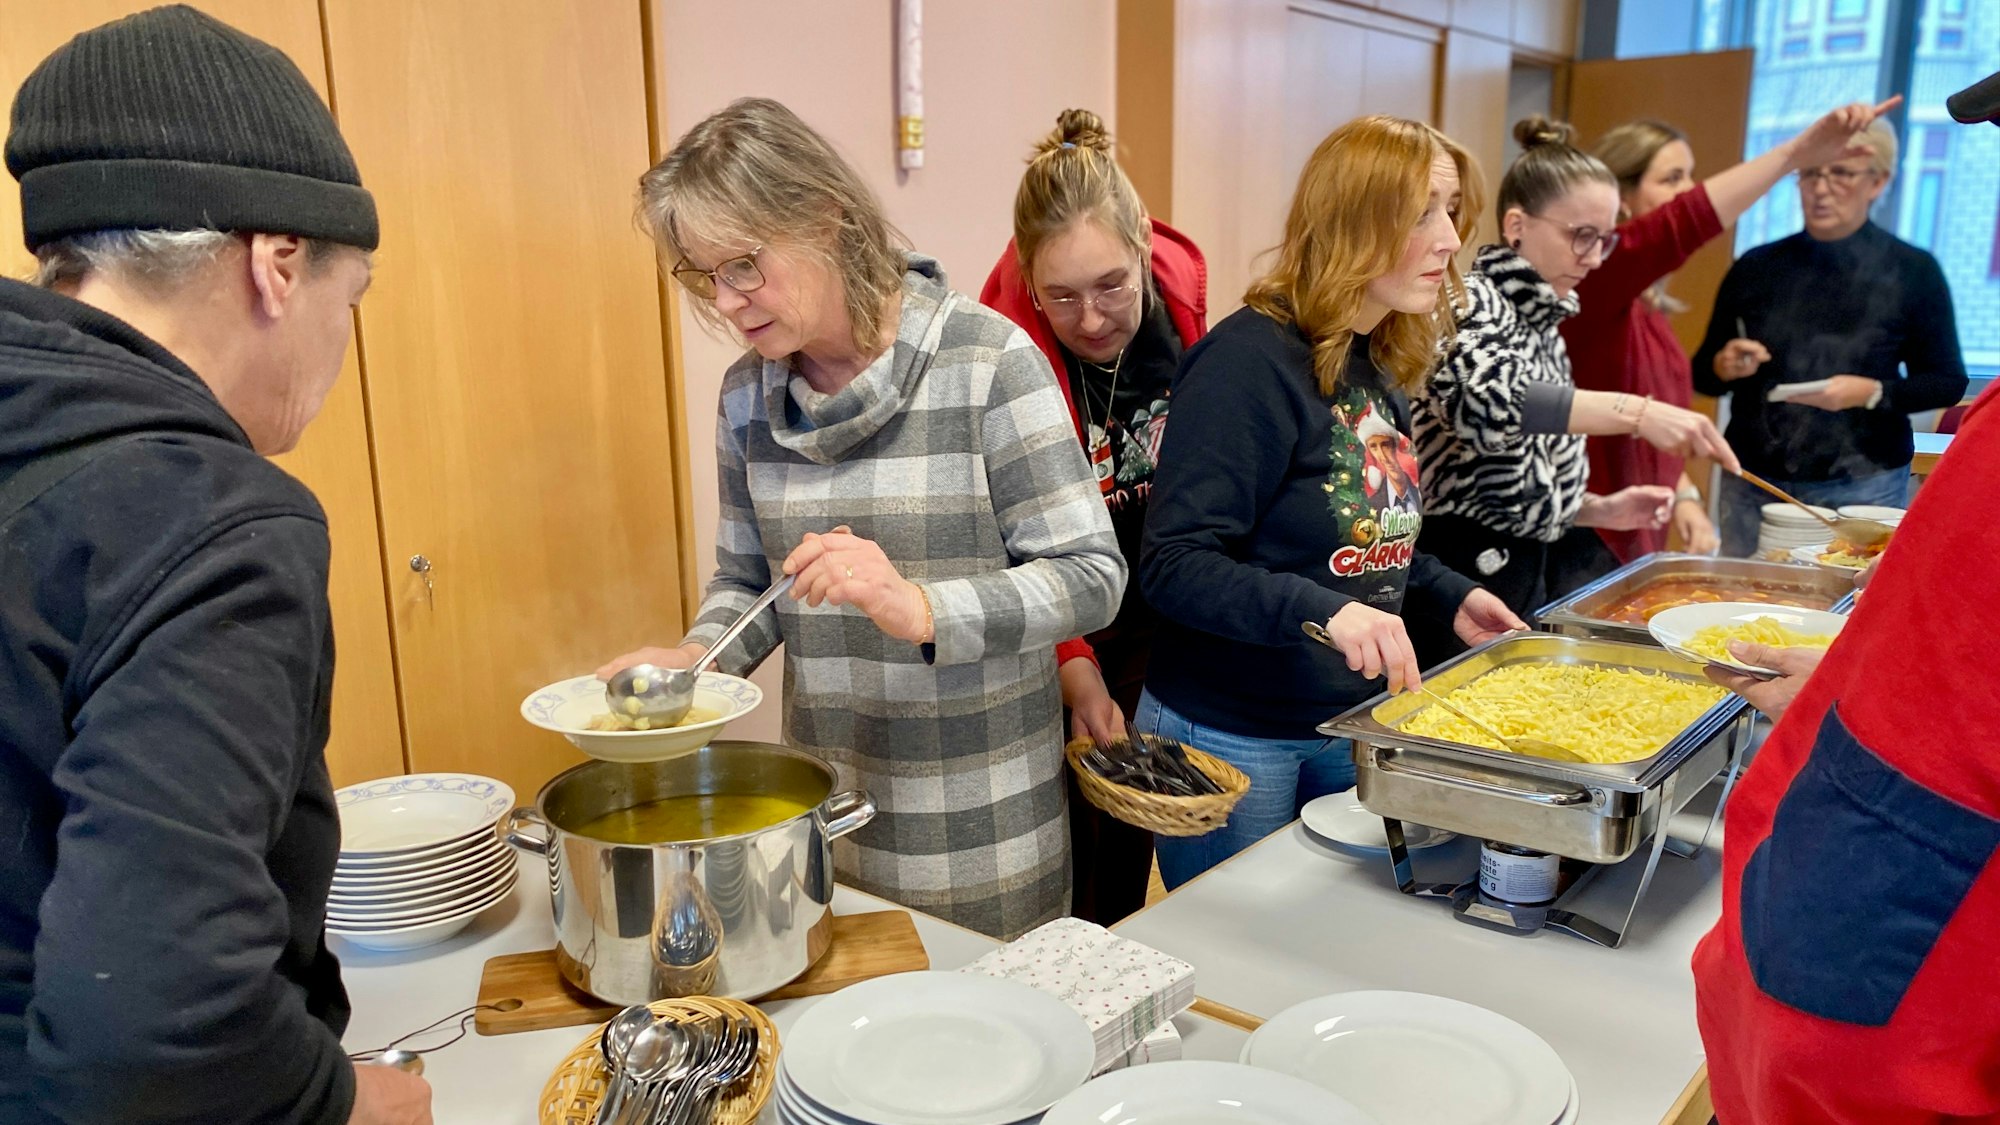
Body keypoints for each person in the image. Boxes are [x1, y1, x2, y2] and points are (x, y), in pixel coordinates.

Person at [0, 7, 431, 1124]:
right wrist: (339, 1102)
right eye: (356, 300)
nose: (343, 341)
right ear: (277, 264)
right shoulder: (208, 515)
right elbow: (152, 1022)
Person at [601, 98, 1124, 940]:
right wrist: (695, 661)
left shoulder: (987, 362)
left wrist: (921, 608)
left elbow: (1091, 577)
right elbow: (747, 583)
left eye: (743, 265)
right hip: (824, 820)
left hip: (983, 832)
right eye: (703, 276)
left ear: (823, 217)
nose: (728, 302)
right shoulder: (748, 395)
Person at [1135, 115, 1528, 890]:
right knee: (1237, 960)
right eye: (1424, 212)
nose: (1451, 240)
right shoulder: (1247, 361)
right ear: (1354, 221)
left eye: (1453, 212)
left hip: (1341, 720)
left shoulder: (1374, 360)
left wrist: (1451, 596)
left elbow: (1358, 541)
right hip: (1232, 729)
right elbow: (1174, 564)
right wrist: (1325, 613)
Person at [980, 108, 1208, 924]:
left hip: (1152, 607)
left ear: (1144, 244)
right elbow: (1004, 529)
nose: (1091, 319)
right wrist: (1072, 660)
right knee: (1068, 847)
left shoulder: (1184, 308)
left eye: (1113, 285)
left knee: (1133, 829)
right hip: (1051, 619)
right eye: (1062, 297)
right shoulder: (1002, 349)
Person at [1414, 116, 1743, 646]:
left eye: (1605, 241)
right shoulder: (1469, 300)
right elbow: (1489, 403)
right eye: (1580, 237)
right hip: (1456, 565)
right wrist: (1637, 413)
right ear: (1517, 224)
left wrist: (1597, 507)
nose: (1592, 258)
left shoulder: (1547, 322)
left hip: (1528, 563)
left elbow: (1522, 474)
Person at [1562, 98, 1903, 568]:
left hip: (1635, 529)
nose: (1689, 190)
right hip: (1588, 530)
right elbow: (1682, 224)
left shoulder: (1646, 307)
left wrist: (1683, 496)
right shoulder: (1594, 285)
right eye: (1672, 178)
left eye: (1690, 175)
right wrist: (1793, 154)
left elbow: (1651, 423)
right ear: (1620, 199)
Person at [1694, 119, 1968, 558]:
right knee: (1741, 603)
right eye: (1810, 174)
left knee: (1847, 605)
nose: (1821, 189)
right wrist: (1725, 364)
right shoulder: (1757, 265)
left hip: (1865, 483)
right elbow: (1703, 375)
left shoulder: (1913, 271)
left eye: (1840, 174)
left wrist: (1873, 392)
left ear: (1877, 182)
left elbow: (1947, 381)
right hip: (1756, 476)